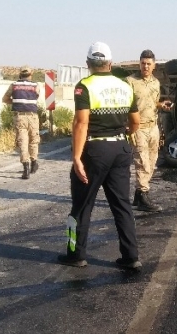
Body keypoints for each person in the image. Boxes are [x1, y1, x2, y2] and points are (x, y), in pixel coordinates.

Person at [58, 42, 142, 270]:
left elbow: (81, 122)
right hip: (120, 148)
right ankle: (131, 256)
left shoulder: (84, 86)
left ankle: (76, 255)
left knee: (82, 205)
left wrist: (77, 157)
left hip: (95, 151)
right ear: (110, 64)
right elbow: (135, 122)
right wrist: (124, 134)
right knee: (122, 205)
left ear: (88, 64)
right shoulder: (125, 86)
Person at [126, 49, 172, 212]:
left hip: (153, 126)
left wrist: (162, 104)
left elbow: (153, 102)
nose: (145, 66)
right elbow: (126, 105)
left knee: (152, 162)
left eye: (148, 64)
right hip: (138, 128)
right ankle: (144, 195)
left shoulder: (155, 83)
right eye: (143, 63)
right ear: (139, 64)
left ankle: (139, 195)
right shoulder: (130, 81)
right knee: (142, 162)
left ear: (154, 65)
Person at [2, 66, 40, 179]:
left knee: (22, 142)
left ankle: (26, 168)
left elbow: (4, 99)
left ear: (20, 74)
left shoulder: (14, 85)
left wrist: (15, 102)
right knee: (34, 140)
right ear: (31, 73)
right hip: (33, 117)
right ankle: (34, 163)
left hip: (20, 117)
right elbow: (36, 96)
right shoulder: (35, 85)